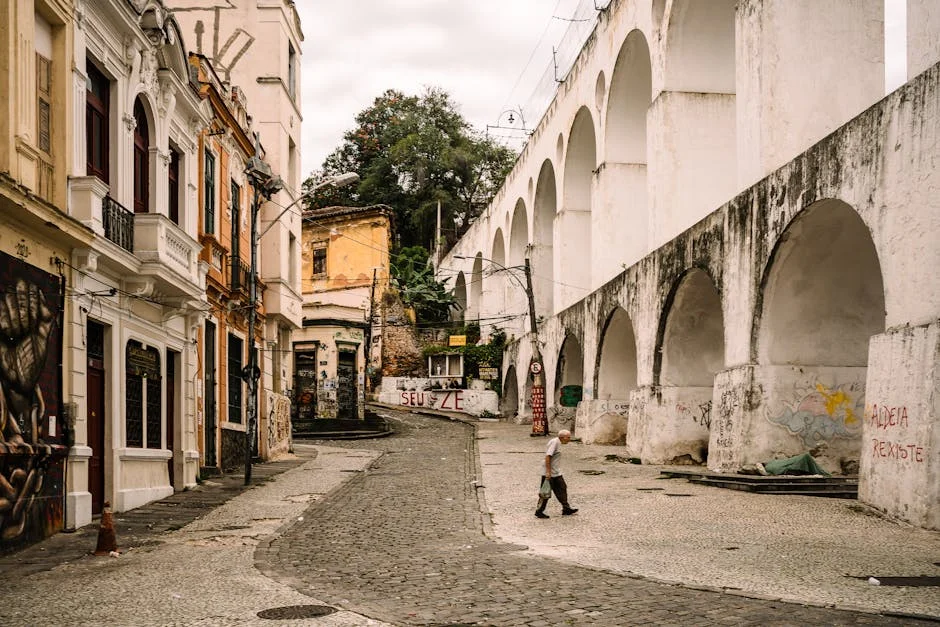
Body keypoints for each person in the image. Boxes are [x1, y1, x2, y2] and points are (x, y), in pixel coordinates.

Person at [535, 429, 578, 518]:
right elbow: (548, 456)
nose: (569, 439)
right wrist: (548, 472)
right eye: (568, 437)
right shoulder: (555, 443)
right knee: (545, 492)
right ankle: (539, 511)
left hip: (556, 472)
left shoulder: (558, 442)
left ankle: (566, 508)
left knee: (562, 488)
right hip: (549, 472)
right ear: (562, 437)